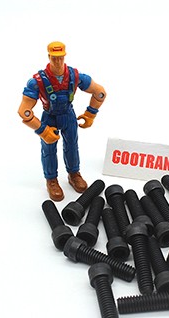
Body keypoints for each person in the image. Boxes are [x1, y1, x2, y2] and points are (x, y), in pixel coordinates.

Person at [18, 41, 106, 201]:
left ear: (64, 56)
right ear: (49, 57)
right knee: (48, 149)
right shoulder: (37, 81)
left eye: (60, 58)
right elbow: (24, 111)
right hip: (49, 117)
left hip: (68, 115)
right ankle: (51, 180)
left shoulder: (75, 76)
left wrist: (90, 114)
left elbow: (99, 92)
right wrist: (42, 130)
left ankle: (74, 174)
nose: (58, 61)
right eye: (54, 58)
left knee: (72, 145)